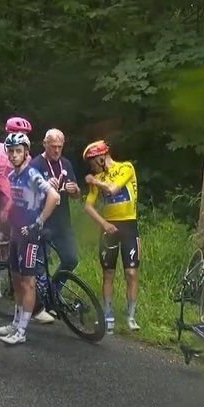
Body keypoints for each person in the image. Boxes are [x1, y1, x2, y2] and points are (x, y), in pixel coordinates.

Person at [0, 132, 59, 346]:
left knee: (28, 282)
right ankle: (15, 322)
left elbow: (54, 196)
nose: (13, 155)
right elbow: (19, 200)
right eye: (10, 151)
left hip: (30, 234)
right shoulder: (12, 176)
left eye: (17, 151)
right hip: (15, 232)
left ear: (26, 152)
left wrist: (38, 222)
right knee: (15, 279)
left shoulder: (32, 174)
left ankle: (21, 331)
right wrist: (6, 212)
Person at [81, 140, 141, 334]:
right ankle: (108, 313)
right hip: (109, 227)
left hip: (129, 225)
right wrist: (104, 224)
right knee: (108, 273)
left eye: (91, 162)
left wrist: (95, 181)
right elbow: (88, 206)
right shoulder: (97, 178)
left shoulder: (126, 167)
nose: (90, 167)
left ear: (101, 157)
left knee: (131, 272)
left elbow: (113, 188)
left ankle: (131, 315)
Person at [27, 128, 81, 323]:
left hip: (63, 222)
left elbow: (76, 195)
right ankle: (38, 307)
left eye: (60, 146)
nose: (57, 150)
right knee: (40, 267)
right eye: (53, 146)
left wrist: (75, 190)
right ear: (45, 144)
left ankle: (53, 295)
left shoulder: (65, 163)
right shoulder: (35, 164)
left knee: (71, 259)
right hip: (42, 222)